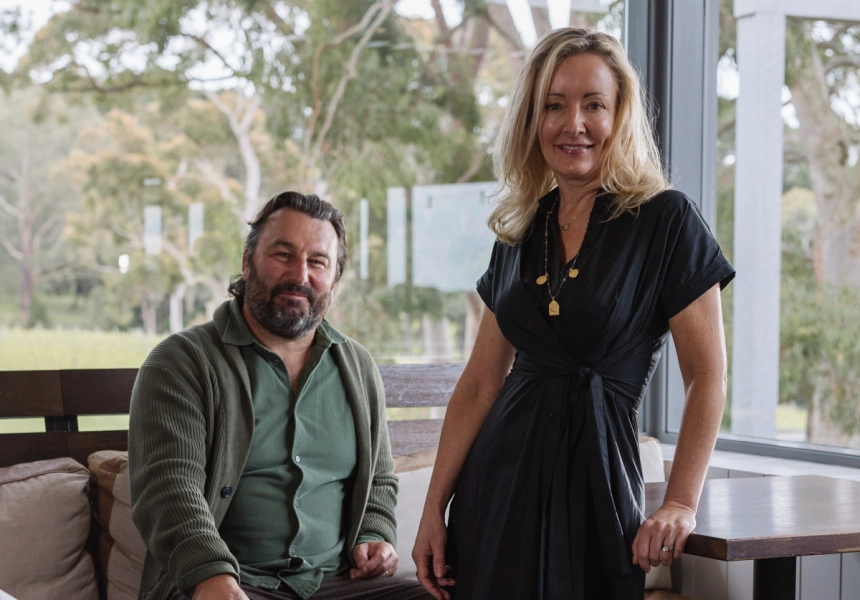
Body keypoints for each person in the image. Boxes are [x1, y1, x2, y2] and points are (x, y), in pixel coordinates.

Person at [412, 28, 735, 600]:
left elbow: (706, 375)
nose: (574, 124)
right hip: (495, 493)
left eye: (594, 105)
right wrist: (433, 508)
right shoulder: (517, 232)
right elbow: (482, 381)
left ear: (620, 116)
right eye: (554, 106)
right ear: (533, 120)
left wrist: (681, 501)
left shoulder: (666, 221)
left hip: (599, 493)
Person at [128, 191, 431, 600]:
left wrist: (375, 534)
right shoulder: (181, 363)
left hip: (339, 584)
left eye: (318, 261)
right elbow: (167, 490)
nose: (300, 275)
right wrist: (209, 575)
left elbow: (378, 478)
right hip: (231, 584)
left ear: (334, 278)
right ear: (247, 262)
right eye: (283, 255)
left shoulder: (357, 367)